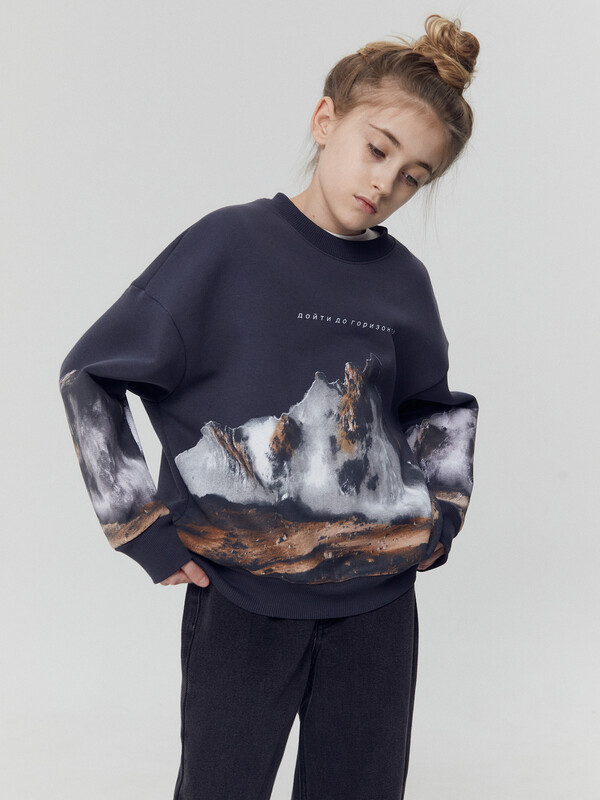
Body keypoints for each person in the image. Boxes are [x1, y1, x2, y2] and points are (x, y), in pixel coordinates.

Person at [59, 13, 480, 800]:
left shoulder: (405, 282)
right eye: (378, 149)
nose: (385, 184)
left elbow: (436, 409)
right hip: (239, 599)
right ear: (326, 120)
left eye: (414, 176)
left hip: (379, 610)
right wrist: (139, 529)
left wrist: (442, 517)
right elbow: (90, 375)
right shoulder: (226, 246)